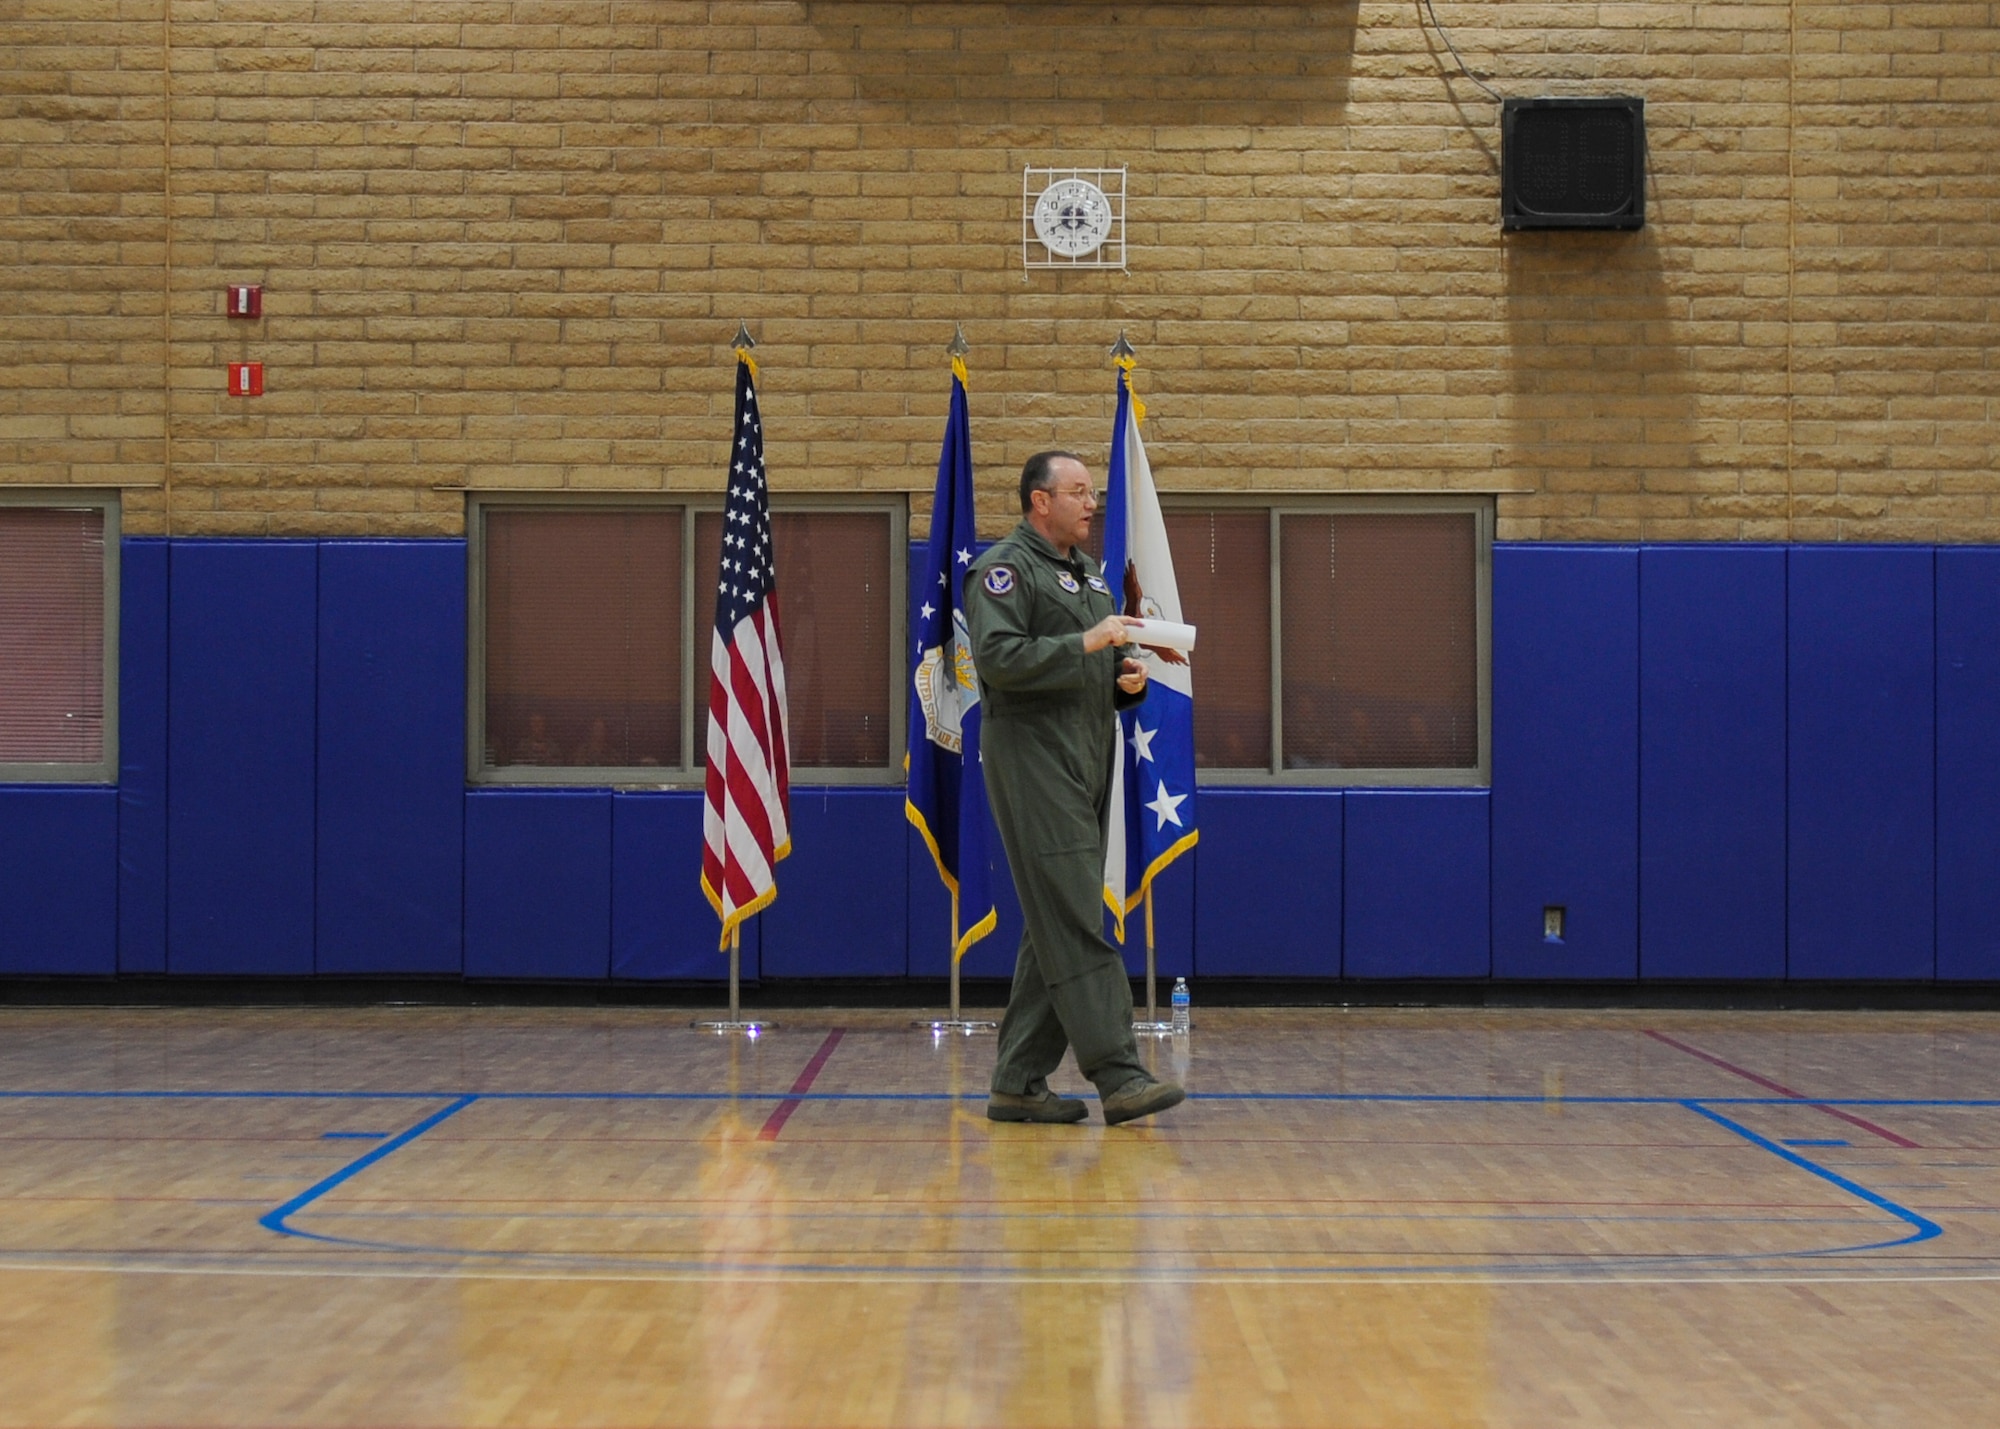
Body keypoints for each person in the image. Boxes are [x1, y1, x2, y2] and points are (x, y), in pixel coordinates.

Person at [964, 450, 1187, 1127]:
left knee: (1055, 917)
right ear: (1040, 501)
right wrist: (1090, 644)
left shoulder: (1087, 575)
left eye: (1092, 493)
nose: (1091, 503)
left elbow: (1097, 658)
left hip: (1087, 757)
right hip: (1034, 763)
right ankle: (1118, 1072)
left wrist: (1126, 678)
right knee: (1077, 917)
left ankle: (1018, 1080)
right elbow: (999, 662)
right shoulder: (1004, 571)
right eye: (1079, 492)